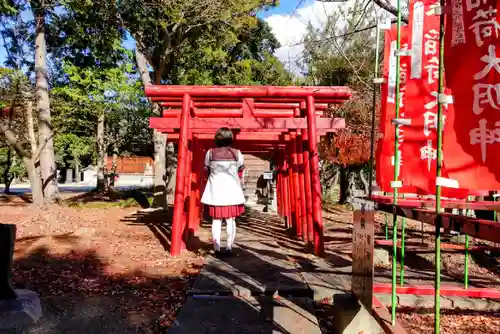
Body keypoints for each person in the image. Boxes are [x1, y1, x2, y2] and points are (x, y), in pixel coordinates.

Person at [201, 127, 246, 255]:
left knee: (216, 220)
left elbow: (206, 171)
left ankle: (216, 248)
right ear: (230, 138)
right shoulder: (237, 153)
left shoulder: (210, 153)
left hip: (215, 191)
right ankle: (229, 248)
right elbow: (240, 171)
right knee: (231, 219)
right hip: (232, 191)